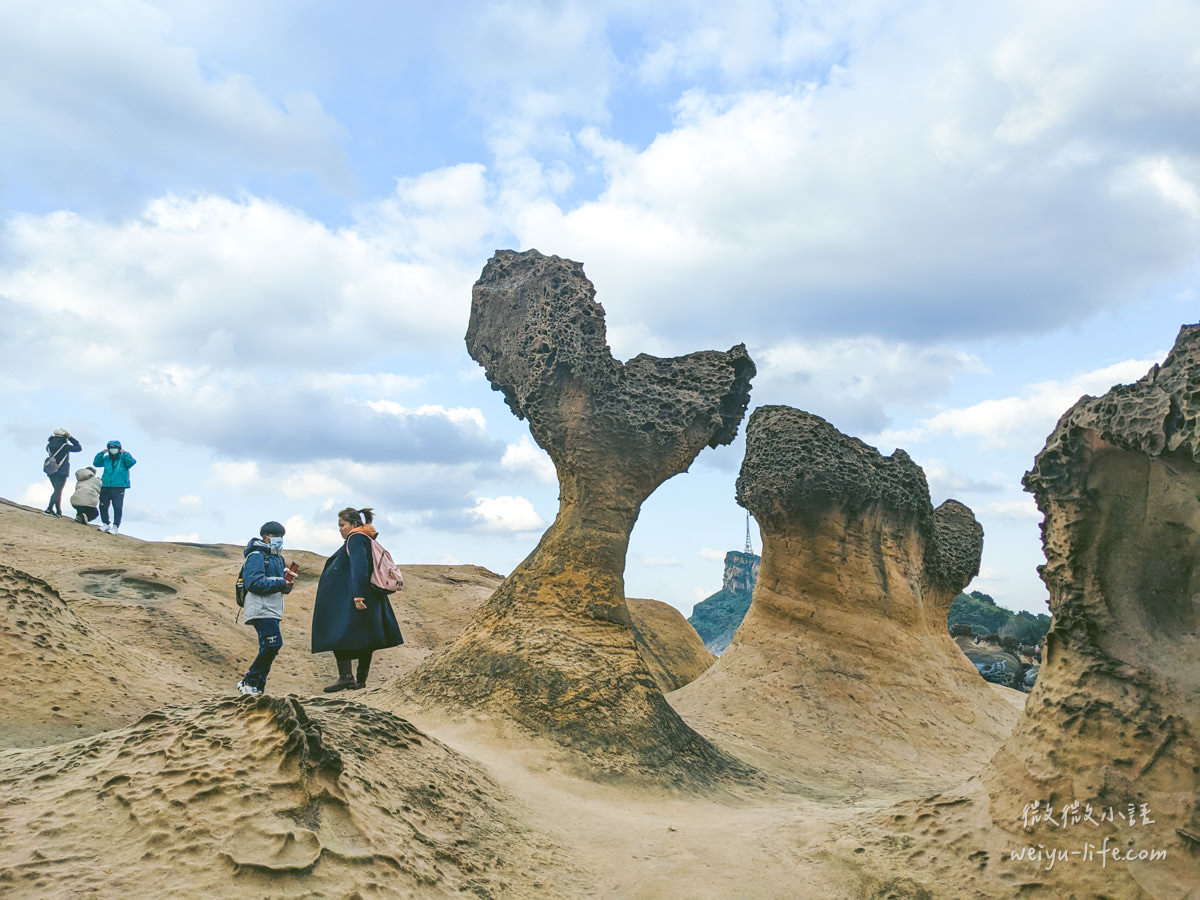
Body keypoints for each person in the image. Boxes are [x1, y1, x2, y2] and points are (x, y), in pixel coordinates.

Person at [311, 507, 403, 692]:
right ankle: (359, 680)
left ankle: (346, 678)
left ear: (354, 524)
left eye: (342, 525)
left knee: (338, 632)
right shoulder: (365, 538)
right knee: (366, 638)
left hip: (356, 596)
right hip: (367, 595)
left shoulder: (355, 538)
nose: (340, 529)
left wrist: (358, 596)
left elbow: (358, 567)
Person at [236, 521, 296, 696]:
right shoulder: (256, 555)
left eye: (282, 537)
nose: (281, 541)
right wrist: (280, 583)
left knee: (269, 647)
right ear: (266, 537)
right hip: (260, 608)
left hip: (272, 609)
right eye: (278, 537)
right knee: (273, 644)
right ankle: (248, 682)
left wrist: (286, 584)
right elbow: (254, 583)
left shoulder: (277, 557)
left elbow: (274, 584)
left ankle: (257, 688)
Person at [93, 440, 136, 534]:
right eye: (111, 448)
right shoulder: (106, 458)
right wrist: (101, 453)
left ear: (119, 449)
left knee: (117, 507)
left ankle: (115, 526)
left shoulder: (123, 458)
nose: (113, 450)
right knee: (103, 506)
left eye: (115, 448)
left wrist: (125, 453)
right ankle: (105, 523)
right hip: (106, 485)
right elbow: (96, 463)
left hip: (119, 486)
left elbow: (132, 462)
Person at [43, 428, 82, 517]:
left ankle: (58, 511)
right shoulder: (65, 446)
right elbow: (78, 448)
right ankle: (49, 509)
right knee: (58, 490)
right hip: (62, 471)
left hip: (51, 470)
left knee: (57, 490)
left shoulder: (49, 445)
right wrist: (71, 437)